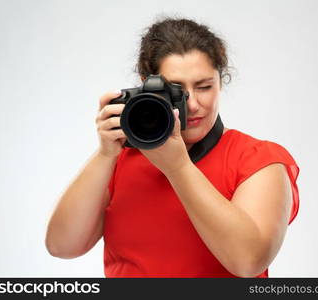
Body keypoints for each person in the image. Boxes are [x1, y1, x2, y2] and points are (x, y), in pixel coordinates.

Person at [45, 17, 300, 278]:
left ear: (220, 82)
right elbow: (61, 246)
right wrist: (105, 154)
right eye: (176, 90)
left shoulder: (258, 161)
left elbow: (247, 261)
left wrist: (177, 167)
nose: (191, 105)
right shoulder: (121, 158)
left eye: (204, 87)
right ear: (147, 86)